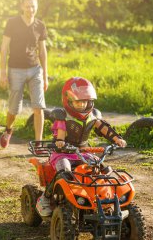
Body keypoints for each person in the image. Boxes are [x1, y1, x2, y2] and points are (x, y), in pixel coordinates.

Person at [36, 77, 127, 216]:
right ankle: (45, 199)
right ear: (69, 100)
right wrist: (60, 142)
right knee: (64, 172)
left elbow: (104, 128)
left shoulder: (93, 115)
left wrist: (117, 139)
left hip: (83, 151)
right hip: (63, 152)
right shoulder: (63, 116)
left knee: (102, 169)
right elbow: (60, 135)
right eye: (78, 102)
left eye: (85, 101)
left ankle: (104, 199)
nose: (81, 105)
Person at [0, 0, 48, 148]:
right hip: (15, 70)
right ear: (22, 7)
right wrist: (2, 73)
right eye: (27, 6)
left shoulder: (40, 25)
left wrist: (45, 76)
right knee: (14, 109)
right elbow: (4, 48)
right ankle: (8, 130)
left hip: (35, 70)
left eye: (33, 6)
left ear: (36, 7)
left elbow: (43, 51)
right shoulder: (12, 23)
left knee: (38, 107)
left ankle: (38, 143)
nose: (30, 9)